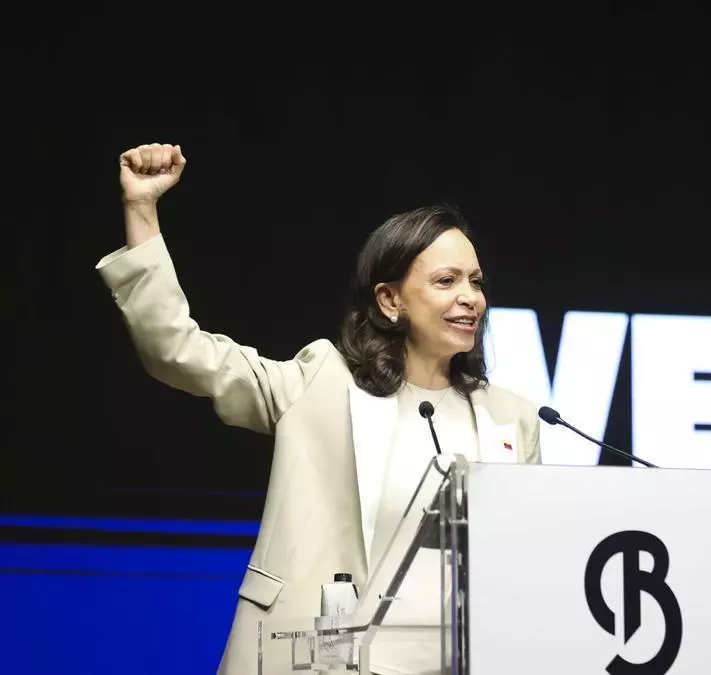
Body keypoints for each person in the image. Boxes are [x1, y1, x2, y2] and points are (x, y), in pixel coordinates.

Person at [96, 143, 543, 675]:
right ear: (390, 300)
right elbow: (176, 349)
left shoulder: (512, 419)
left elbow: (524, 570)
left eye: (476, 282)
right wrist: (142, 210)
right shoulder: (323, 383)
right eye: (446, 281)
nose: (470, 297)